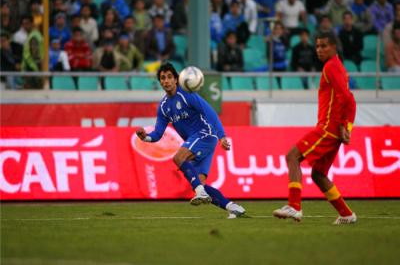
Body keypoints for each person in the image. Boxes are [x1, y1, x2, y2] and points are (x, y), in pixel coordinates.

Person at [136, 62, 246, 218]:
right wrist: (145, 137)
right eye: (162, 78)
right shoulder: (163, 107)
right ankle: (233, 207)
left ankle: (199, 192)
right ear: (160, 82)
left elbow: (210, 113)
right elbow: (158, 134)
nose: (166, 81)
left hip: (205, 134)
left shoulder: (187, 94)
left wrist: (222, 136)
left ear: (176, 79)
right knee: (201, 183)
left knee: (178, 157)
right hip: (197, 141)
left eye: (169, 77)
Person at [273, 31, 357, 225]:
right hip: (335, 130)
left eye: (324, 46)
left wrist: (345, 126)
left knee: (292, 156)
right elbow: (350, 100)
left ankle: (294, 206)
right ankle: (346, 214)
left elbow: (347, 98)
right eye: (317, 46)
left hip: (327, 129)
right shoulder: (338, 67)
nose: (319, 50)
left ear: (334, 47)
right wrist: (347, 127)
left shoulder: (331, 67)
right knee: (318, 174)